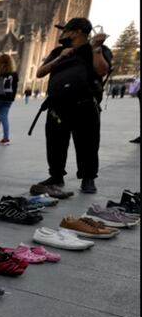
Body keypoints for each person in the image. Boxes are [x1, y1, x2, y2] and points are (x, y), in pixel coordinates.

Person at [34, 18, 111, 194]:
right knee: (55, 144)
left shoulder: (97, 50)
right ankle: (56, 176)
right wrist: (60, 58)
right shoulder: (58, 51)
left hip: (85, 106)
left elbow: (102, 70)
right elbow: (40, 72)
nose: (62, 34)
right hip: (57, 106)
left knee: (87, 144)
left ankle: (88, 178)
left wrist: (96, 48)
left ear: (77, 32)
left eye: (65, 30)